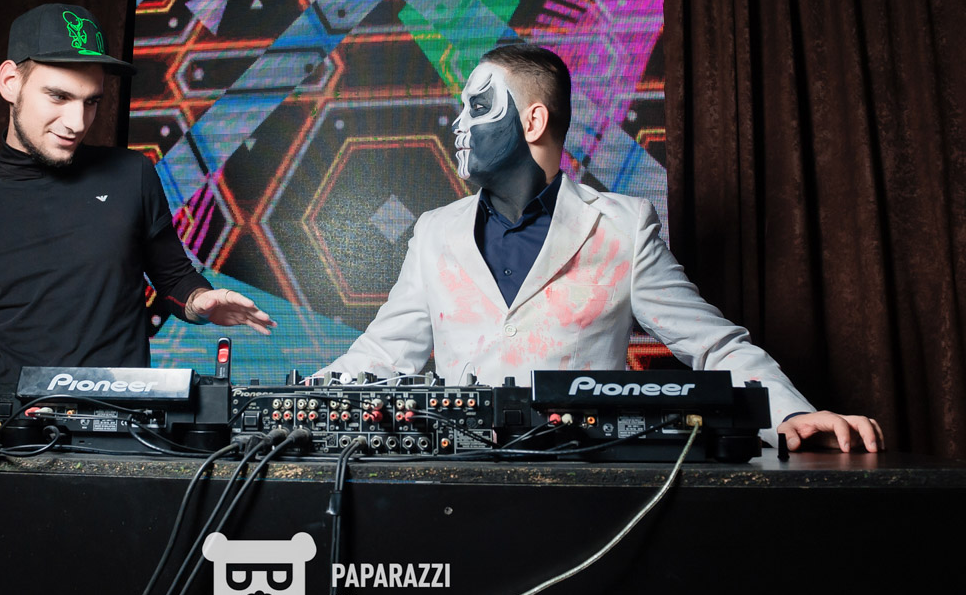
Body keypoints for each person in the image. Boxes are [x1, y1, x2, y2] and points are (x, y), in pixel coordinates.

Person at [318, 44, 882, 452]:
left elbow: (714, 346)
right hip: (457, 489)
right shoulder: (434, 232)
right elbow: (382, 356)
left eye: (478, 107)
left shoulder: (623, 227)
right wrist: (287, 409)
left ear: (533, 120)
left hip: (584, 492)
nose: (459, 124)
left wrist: (793, 415)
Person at [0, 3, 273, 413]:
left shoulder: (131, 176)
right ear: (10, 82)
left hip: (115, 429)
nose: (76, 122)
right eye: (58, 97)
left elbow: (173, 279)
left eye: (91, 101)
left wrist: (200, 301)